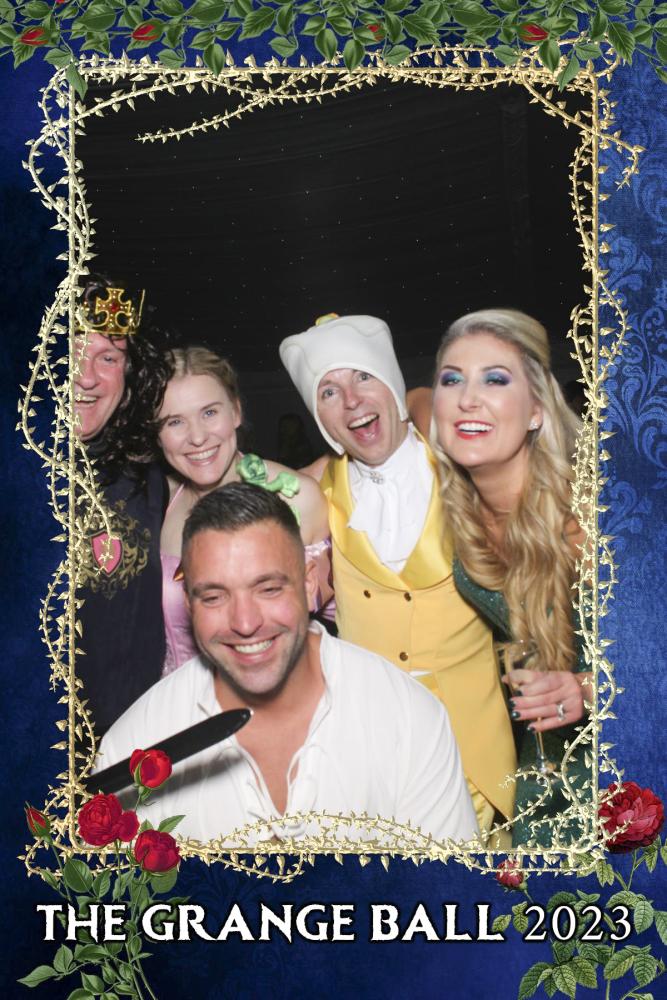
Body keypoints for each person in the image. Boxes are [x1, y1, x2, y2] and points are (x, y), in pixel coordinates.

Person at [96, 484, 479, 845]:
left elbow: (450, 889)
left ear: (309, 583)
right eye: (214, 597)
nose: (245, 623)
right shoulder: (132, 749)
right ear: (189, 604)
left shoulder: (409, 719)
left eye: (268, 589)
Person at [279, 314, 516, 843]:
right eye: (329, 392)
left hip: (474, 756)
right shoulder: (316, 495)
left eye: (363, 377)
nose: (352, 401)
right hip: (373, 757)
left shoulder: (464, 464)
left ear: (391, 381)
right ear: (320, 417)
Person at [431, 308, 592, 846]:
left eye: (495, 380)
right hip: (540, 770)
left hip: (625, 766)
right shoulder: (459, 514)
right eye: (452, 380)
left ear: (537, 411)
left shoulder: (592, 515)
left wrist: (588, 688)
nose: (467, 399)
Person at [141, 346, 331, 674]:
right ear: (157, 435)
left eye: (209, 413)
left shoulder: (296, 496)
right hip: (179, 698)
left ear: (236, 412)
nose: (197, 437)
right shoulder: (159, 502)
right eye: (175, 422)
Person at [74, 277, 170, 737]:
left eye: (108, 357)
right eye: (71, 351)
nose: (86, 376)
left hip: (131, 751)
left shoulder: (151, 475)